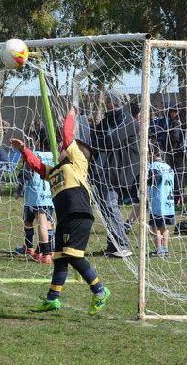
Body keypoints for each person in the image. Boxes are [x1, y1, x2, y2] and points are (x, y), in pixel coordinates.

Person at [12, 109, 112, 314]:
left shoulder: (77, 164)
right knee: (59, 257)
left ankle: (100, 292)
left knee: (73, 256)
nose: (61, 147)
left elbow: (67, 136)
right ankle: (52, 299)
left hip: (79, 215)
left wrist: (71, 115)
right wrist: (24, 150)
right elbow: (38, 167)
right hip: (65, 218)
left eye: (65, 147)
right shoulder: (56, 171)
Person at [90, 89, 138, 258]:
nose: (108, 104)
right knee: (105, 208)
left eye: (111, 101)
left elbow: (112, 140)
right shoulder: (105, 122)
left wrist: (101, 142)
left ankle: (122, 244)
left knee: (111, 206)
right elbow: (94, 139)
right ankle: (112, 244)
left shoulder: (129, 121)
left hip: (121, 171)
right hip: (103, 172)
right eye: (107, 101)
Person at [16, 129, 55, 265]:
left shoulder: (34, 155)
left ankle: (41, 253)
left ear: (38, 141)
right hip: (50, 196)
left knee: (35, 222)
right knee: (47, 223)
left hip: (34, 196)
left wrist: (19, 190)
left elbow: (25, 174)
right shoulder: (54, 155)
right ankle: (48, 250)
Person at [146, 144, 176, 257]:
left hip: (159, 203)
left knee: (155, 227)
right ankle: (165, 249)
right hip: (169, 203)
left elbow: (154, 179)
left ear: (152, 154)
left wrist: (146, 179)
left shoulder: (154, 166)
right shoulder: (168, 167)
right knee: (165, 228)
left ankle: (159, 250)